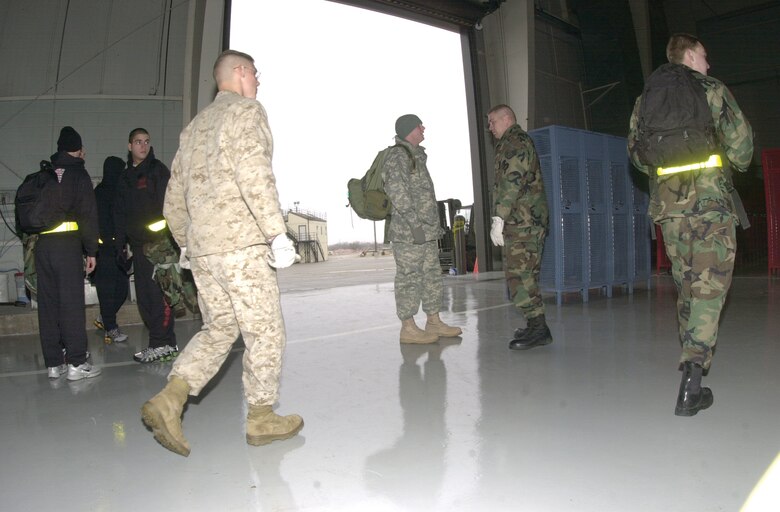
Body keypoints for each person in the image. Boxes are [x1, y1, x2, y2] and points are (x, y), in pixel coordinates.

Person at [141, 50, 301, 457]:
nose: (258, 82)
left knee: (219, 329)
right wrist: (276, 233)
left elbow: (173, 199)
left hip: (205, 253)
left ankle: (170, 399)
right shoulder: (246, 112)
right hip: (242, 246)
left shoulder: (193, 129)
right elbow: (254, 173)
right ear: (242, 73)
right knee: (264, 331)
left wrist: (187, 246)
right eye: (256, 74)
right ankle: (262, 418)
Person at [628, 34, 753, 416]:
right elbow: (742, 144)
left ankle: (691, 362)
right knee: (710, 288)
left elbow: (636, 153)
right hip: (710, 205)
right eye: (704, 55)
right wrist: (735, 165)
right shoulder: (712, 89)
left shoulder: (646, 97)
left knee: (687, 286)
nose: (708, 63)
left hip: (669, 209)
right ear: (689, 55)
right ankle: (692, 379)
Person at [382, 114, 462, 344]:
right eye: (419, 125)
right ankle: (408, 328)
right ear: (409, 130)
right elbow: (397, 192)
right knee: (409, 277)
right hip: (409, 234)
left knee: (431, 275)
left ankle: (433, 321)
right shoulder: (397, 155)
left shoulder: (416, 156)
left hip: (426, 233)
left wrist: (430, 228)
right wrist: (415, 225)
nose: (423, 128)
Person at [37, 126, 101, 381]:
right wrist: (92, 251)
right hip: (67, 247)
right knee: (72, 305)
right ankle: (76, 363)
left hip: (42, 247)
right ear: (79, 149)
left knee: (48, 306)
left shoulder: (45, 172)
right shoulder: (78, 174)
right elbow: (88, 214)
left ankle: (54, 364)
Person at [486, 105, 551, 350]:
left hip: (524, 222)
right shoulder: (511, 142)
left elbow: (511, 182)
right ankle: (535, 324)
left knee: (520, 276)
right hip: (524, 221)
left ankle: (539, 329)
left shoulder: (515, 142)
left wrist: (498, 217)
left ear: (506, 119)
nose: (489, 127)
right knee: (523, 275)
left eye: (492, 122)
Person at [114, 128, 178, 363]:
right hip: (139, 248)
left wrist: (167, 239)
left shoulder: (157, 171)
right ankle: (163, 343)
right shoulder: (124, 177)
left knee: (159, 297)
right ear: (130, 146)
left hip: (159, 247)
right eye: (138, 142)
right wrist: (120, 244)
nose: (143, 146)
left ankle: (162, 344)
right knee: (144, 299)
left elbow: (171, 206)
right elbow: (119, 213)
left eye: (147, 142)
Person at [93, 156, 129, 344]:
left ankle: (103, 318)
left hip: (117, 249)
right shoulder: (99, 194)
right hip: (103, 250)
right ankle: (111, 328)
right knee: (107, 293)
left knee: (122, 290)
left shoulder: (119, 193)